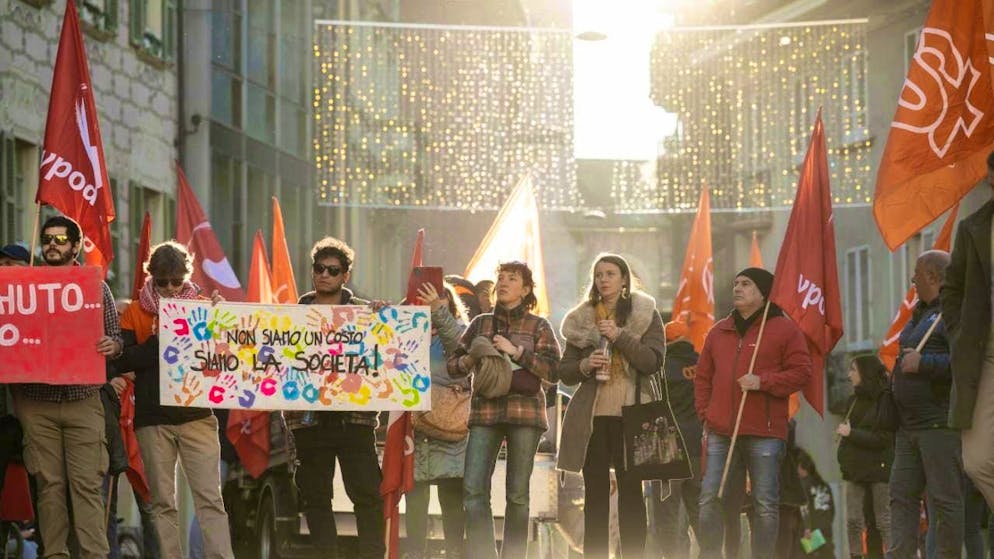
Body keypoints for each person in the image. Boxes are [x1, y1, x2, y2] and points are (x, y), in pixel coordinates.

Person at [112, 241, 234, 559]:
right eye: (161, 281)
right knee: (162, 501)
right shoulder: (135, 312)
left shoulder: (205, 307)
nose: (168, 288)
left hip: (197, 417)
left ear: (186, 277)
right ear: (150, 278)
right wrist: (161, 339)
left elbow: (226, 352)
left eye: (175, 281)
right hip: (153, 420)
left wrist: (221, 318)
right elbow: (123, 361)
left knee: (209, 498)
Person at [13, 215, 123, 559]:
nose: (52, 246)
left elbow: (115, 338)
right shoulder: (22, 286)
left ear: (76, 246)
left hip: (83, 400)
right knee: (49, 487)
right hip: (37, 402)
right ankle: (54, 555)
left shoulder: (96, 287)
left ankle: (93, 555)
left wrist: (112, 346)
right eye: (47, 239)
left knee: (87, 486)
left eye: (61, 240)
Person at [694, 267, 811, 559]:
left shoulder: (785, 329)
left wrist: (763, 382)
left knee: (765, 503)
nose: (737, 288)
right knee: (710, 497)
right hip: (721, 431)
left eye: (746, 284)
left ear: (762, 293)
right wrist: (706, 414)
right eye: (735, 283)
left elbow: (802, 373)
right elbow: (702, 377)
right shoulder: (718, 331)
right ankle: (710, 554)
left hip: (765, 433)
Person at [447, 261, 561, 559]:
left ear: (525, 289)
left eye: (513, 278)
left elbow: (554, 371)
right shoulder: (480, 323)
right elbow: (453, 368)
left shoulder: (539, 326)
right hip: (485, 413)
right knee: (473, 490)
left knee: (518, 495)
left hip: (525, 415)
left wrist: (517, 352)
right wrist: (473, 356)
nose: (504, 282)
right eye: (501, 277)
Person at [558, 254, 665, 558]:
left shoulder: (646, 313)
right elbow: (563, 371)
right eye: (598, 274)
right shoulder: (581, 318)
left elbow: (652, 362)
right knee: (595, 494)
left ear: (624, 280)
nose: (603, 279)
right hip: (592, 418)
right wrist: (584, 364)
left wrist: (620, 336)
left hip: (633, 414)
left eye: (610, 274)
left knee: (632, 493)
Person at [283, 236, 385, 559]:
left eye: (333, 269)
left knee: (367, 495)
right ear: (312, 272)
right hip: (309, 421)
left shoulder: (365, 314)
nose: (324, 274)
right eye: (319, 268)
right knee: (315, 498)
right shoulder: (290, 317)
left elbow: (387, 354)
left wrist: (387, 321)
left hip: (354, 421)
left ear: (345, 275)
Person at [889, 249, 962, 559]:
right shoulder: (920, 312)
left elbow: (966, 362)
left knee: (945, 500)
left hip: (937, 422)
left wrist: (924, 364)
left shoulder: (953, 312)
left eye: (916, 277)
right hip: (908, 426)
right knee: (900, 496)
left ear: (933, 276)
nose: (913, 283)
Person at [942, 150, 994, 506]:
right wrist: (958, 332)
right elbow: (952, 288)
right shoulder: (974, 226)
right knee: (977, 462)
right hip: (983, 355)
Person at [405, 282, 469, 559]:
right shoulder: (407, 332)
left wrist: (440, 315)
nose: (429, 304)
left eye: (437, 299)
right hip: (416, 430)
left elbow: (463, 354)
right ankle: (416, 552)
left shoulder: (459, 333)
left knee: (452, 498)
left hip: (448, 425)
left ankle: (454, 552)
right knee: (415, 498)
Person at [651, 320, 703, 559]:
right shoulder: (703, 365)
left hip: (667, 446)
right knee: (700, 511)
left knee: (667, 514)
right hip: (697, 446)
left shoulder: (660, 367)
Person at [836, 355, 893, 559]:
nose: (849, 374)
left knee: (883, 521)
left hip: (879, 468)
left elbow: (884, 438)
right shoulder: (853, 400)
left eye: (853, 369)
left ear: (865, 372)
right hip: (854, 470)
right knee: (853, 520)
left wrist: (852, 434)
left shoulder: (885, 399)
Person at [796, 449, 836, 559]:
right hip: (825, 535)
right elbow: (831, 512)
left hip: (810, 536)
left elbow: (804, 509)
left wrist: (807, 528)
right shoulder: (823, 485)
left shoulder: (803, 485)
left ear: (800, 467)